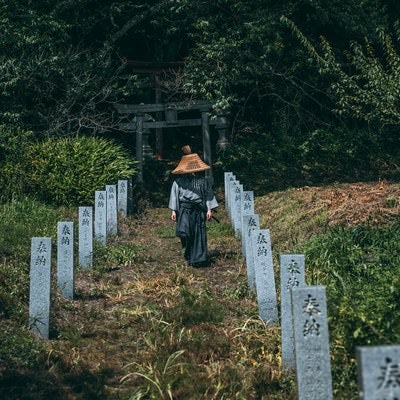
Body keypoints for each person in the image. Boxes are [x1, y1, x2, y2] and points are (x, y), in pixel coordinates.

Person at [169, 145, 218, 267]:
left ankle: (199, 259)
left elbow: (208, 196)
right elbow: (174, 196)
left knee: (199, 233)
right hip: (184, 209)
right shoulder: (178, 181)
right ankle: (188, 255)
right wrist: (174, 211)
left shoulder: (203, 181)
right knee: (185, 232)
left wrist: (209, 209)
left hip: (198, 209)